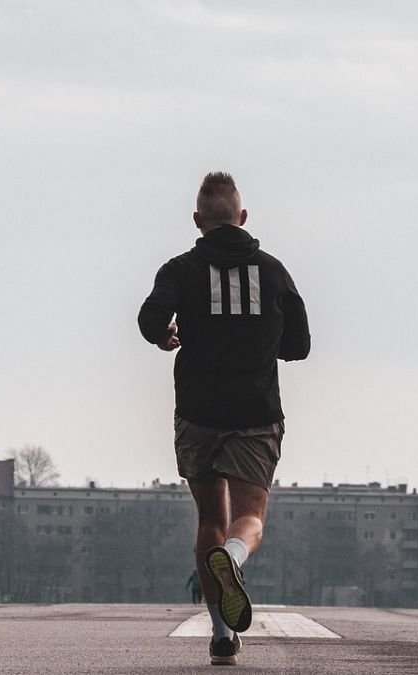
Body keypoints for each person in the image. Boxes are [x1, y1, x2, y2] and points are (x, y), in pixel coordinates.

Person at [139, 171, 310, 666]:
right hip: (255, 412)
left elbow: (150, 319)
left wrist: (165, 335)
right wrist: (261, 339)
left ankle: (220, 635)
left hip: (197, 412)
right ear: (243, 217)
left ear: (198, 220)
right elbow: (299, 345)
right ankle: (234, 557)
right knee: (249, 516)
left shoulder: (180, 269)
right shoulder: (273, 272)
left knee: (210, 518)